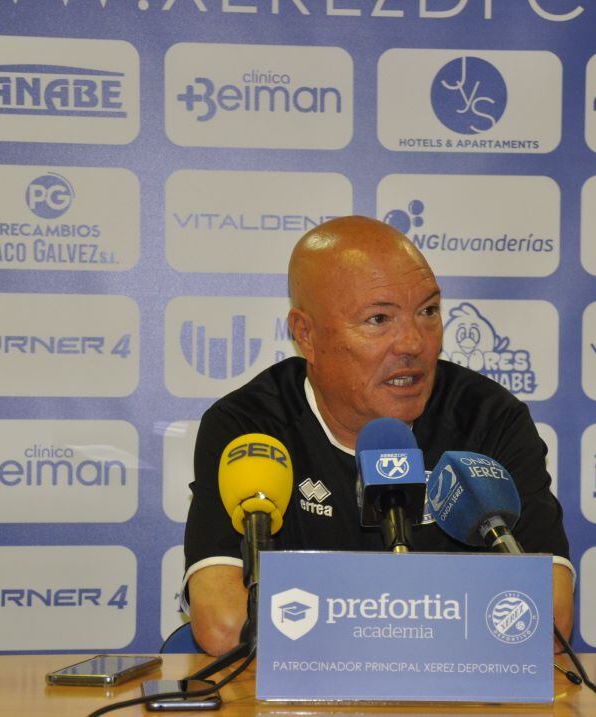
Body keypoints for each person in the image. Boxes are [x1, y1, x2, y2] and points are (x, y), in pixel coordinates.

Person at [182, 215, 574, 656]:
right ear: (305, 335)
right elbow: (224, 624)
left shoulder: (487, 419)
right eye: (378, 319)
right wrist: (427, 622)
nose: (414, 343)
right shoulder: (248, 428)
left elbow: (547, 620)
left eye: (428, 312)